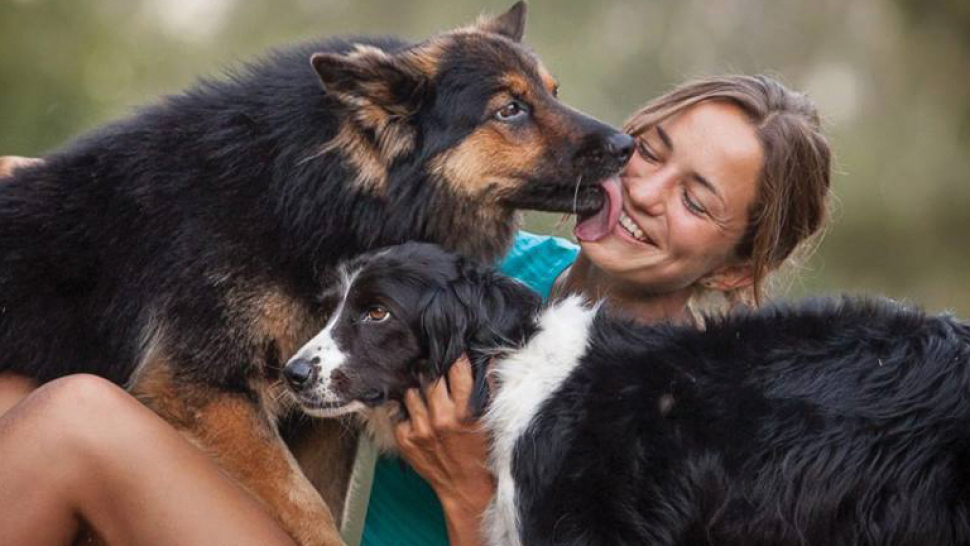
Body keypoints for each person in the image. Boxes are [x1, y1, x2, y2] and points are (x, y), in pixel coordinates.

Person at [0, 74, 831, 546]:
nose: (643, 190)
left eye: (695, 198)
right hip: (275, 522)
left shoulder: (689, 416)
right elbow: (255, 256)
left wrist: (469, 491)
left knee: (75, 420)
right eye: (651, 149)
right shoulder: (483, 263)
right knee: (16, 391)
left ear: (739, 266)